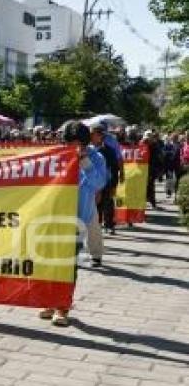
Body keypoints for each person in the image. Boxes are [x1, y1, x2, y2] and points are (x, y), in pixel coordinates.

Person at [40, 121, 107, 327]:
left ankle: (62, 307)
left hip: (78, 219)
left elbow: (99, 183)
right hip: (54, 216)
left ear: (85, 143)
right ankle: (50, 301)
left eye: (77, 144)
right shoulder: (57, 155)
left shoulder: (96, 157)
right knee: (50, 262)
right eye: (70, 143)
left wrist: (84, 161)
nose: (73, 147)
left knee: (69, 265)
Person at [90, 124, 119, 235]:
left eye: (97, 134)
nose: (94, 136)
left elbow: (114, 167)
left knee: (108, 203)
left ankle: (109, 225)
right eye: (92, 134)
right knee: (94, 206)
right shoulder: (87, 150)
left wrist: (114, 184)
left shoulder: (108, 150)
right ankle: (96, 226)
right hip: (91, 183)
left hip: (106, 181)